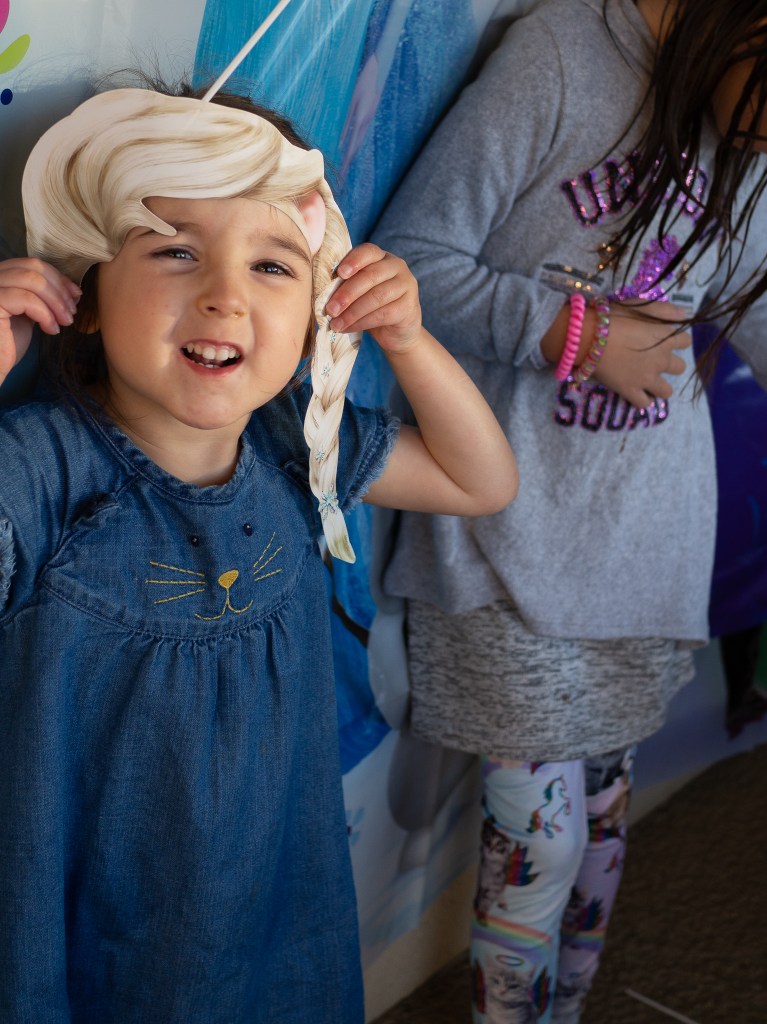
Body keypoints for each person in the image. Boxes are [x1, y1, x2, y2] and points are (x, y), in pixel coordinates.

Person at [0, 75, 518, 1023]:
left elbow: (477, 479)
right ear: (88, 292)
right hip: (95, 917)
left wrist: (406, 339)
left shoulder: (296, 445)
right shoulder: (40, 468)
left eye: (274, 266)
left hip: (274, 898)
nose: (224, 297)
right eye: (175, 250)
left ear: (319, 309)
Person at [373, 0, 767, 1021]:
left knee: (598, 822)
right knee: (538, 842)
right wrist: (574, 333)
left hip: (643, 543)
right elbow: (407, 261)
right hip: (504, 539)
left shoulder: (745, 136)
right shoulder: (562, 53)